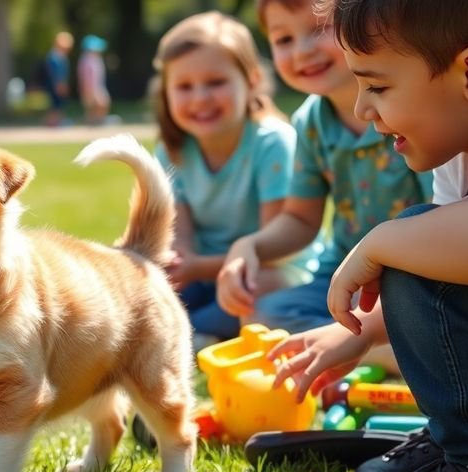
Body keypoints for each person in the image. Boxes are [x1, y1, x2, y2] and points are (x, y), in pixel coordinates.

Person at [268, 0, 468, 472]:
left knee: (412, 235)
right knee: (420, 239)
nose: (361, 108)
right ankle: (462, 439)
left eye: (376, 86)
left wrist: (380, 241)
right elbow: (445, 279)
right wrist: (357, 334)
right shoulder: (463, 146)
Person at [215, 0, 431, 372]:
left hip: (416, 279)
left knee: (435, 321)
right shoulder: (310, 120)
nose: (302, 50)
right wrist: (248, 245)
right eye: (283, 39)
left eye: (320, 29)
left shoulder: (407, 108)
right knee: (265, 316)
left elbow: (439, 217)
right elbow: (300, 219)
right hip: (345, 281)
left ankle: (366, 349)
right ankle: (376, 351)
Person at [150, 11, 310, 346]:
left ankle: (193, 332)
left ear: (251, 80)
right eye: (184, 86)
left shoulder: (272, 142)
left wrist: (196, 268)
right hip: (204, 272)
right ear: (166, 93)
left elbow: (273, 251)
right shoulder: (172, 150)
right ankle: (196, 329)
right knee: (144, 285)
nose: (200, 98)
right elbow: (180, 236)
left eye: (216, 82)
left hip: (265, 269)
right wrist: (177, 262)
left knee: (259, 290)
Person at [77, 34, 111, 126]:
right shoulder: (87, 59)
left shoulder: (95, 58)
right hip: (92, 87)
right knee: (96, 104)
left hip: (97, 86)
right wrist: (87, 88)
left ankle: (96, 121)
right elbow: (85, 77)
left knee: (97, 104)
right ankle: (94, 122)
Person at [42, 31, 73, 127]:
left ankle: (55, 122)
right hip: (56, 84)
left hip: (57, 84)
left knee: (57, 104)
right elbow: (56, 74)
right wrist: (60, 84)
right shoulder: (55, 56)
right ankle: (52, 123)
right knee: (56, 104)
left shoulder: (58, 56)